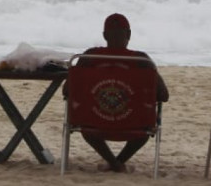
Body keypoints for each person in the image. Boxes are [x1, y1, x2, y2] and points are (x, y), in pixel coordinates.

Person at [71, 13, 170, 173]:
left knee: (84, 123)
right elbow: (164, 96)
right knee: (145, 126)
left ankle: (113, 163)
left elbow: (69, 90)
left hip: (93, 125)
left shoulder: (90, 57)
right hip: (135, 127)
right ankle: (118, 163)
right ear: (129, 34)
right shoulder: (142, 61)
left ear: (104, 35)